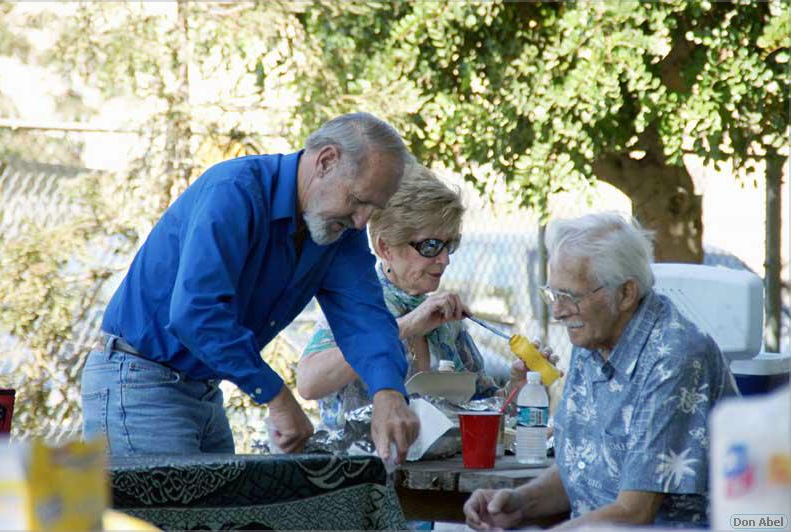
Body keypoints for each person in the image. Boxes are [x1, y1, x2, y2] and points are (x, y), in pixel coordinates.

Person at [80, 112, 420, 461]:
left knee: (220, 515)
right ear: (326, 161)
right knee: (165, 517)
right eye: (359, 199)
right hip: (139, 380)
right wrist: (276, 395)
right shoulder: (235, 191)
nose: (361, 220)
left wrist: (388, 393)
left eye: (373, 209)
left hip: (202, 390)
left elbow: (365, 316)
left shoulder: (338, 227)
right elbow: (197, 313)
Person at [464, 212, 738, 530]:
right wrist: (520, 502)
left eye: (570, 296)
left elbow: (635, 512)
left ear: (625, 294)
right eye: (553, 294)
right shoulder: (594, 335)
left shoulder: (676, 356)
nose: (557, 311)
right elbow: (584, 466)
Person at [297, 165, 548, 430]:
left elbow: (481, 407)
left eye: (450, 244)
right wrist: (407, 326)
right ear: (385, 247)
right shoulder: (358, 305)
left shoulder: (444, 317)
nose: (445, 259)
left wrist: (519, 387)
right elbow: (309, 382)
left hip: (438, 467)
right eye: (430, 246)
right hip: (363, 464)